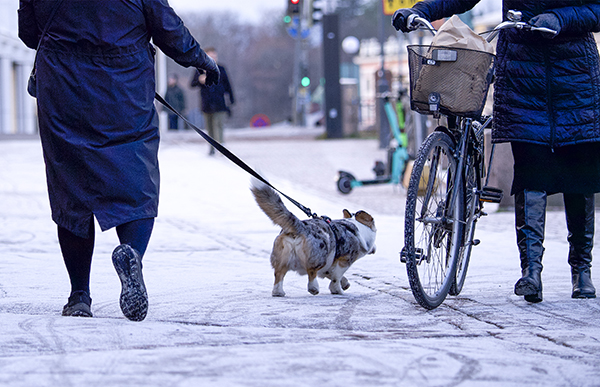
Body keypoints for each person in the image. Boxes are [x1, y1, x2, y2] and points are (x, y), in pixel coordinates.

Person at [18, 0, 219, 320]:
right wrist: (201, 60)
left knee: (70, 186)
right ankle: (132, 254)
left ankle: (79, 296)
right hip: (124, 89)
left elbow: (29, 34)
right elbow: (167, 28)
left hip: (63, 89)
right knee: (136, 176)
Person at [393, 1, 600, 303]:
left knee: (578, 176)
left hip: (575, 77)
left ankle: (582, 270)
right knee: (531, 173)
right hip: (521, 77)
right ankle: (531, 272)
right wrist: (423, 9)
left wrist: (561, 18)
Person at [190, 47, 234, 155]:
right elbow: (192, 84)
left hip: (220, 103)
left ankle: (221, 146)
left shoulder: (221, 69)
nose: (213, 58)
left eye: (215, 56)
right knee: (209, 127)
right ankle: (212, 148)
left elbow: (228, 85)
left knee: (218, 124)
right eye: (211, 56)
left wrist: (232, 99)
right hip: (206, 103)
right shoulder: (200, 69)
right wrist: (200, 80)